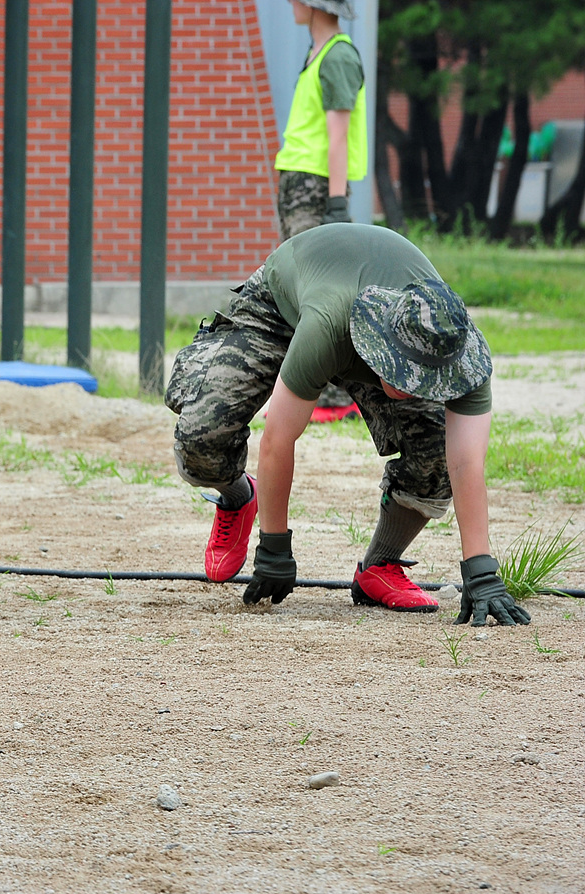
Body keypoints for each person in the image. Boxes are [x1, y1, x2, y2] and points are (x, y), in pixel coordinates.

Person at [165, 224, 531, 627]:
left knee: (435, 452)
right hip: (284, 304)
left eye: (426, 381)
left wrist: (481, 570)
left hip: (361, 311)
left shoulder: (455, 350)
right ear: (386, 348)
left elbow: (466, 463)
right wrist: (273, 548)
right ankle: (237, 496)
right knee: (202, 436)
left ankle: (380, 566)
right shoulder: (330, 324)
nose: (416, 389)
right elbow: (278, 439)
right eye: (407, 375)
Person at [271, 0, 368, 423]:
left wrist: (336, 205)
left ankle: (335, 397)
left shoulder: (339, 56)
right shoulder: (315, 54)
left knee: (321, 295)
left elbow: (338, 136)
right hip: (300, 184)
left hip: (316, 189)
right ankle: (315, 392)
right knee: (300, 291)